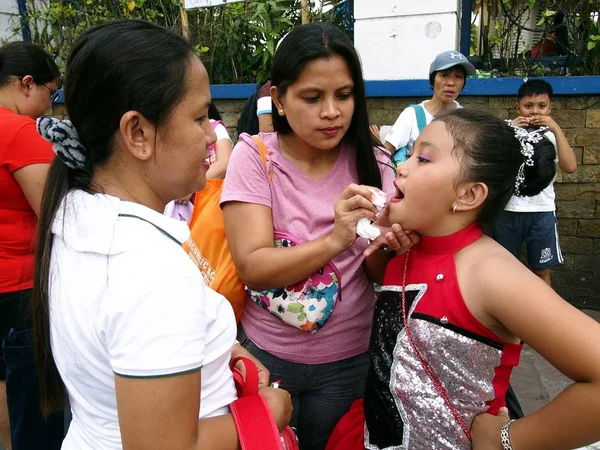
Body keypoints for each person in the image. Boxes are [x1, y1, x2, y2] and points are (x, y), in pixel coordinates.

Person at [31, 19, 291, 450]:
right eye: (198, 118)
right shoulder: (148, 268)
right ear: (137, 133)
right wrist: (272, 410)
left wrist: (219, 349)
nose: (212, 135)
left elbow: (120, 340)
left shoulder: (80, 216)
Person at [326, 108, 600, 450]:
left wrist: (508, 439)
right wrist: (382, 248)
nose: (402, 165)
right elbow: (391, 292)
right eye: (409, 153)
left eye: (423, 159)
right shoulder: (409, 245)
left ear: (468, 195)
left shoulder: (491, 272)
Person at [221, 22, 398, 450]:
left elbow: (377, 271)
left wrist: (390, 246)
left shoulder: (375, 163)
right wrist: (335, 240)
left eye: (344, 94)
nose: (332, 112)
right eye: (312, 97)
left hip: (349, 362)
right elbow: (254, 267)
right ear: (279, 100)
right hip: (262, 358)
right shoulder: (255, 156)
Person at [0, 41, 64, 450]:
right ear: (27, 84)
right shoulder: (19, 131)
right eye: (50, 92)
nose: (49, 106)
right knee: (35, 405)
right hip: (21, 290)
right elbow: (55, 215)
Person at [493, 79, 577, 287]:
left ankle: (544, 314)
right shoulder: (507, 131)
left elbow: (570, 167)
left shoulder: (551, 136)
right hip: (507, 211)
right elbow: (493, 166)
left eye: (542, 106)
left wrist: (556, 129)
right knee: (502, 268)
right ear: (518, 107)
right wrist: (509, 129)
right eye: (528, 106)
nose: (534, 112)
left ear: (550, 108)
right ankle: (504, 315)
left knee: (541, 269)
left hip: (541, 212)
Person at [373, 50, 475, 165]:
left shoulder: (466, 118)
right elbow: (387, 152)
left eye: (458, 76)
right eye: (444, 75)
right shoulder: (412, 115)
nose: (451, 83)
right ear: (432, 80)